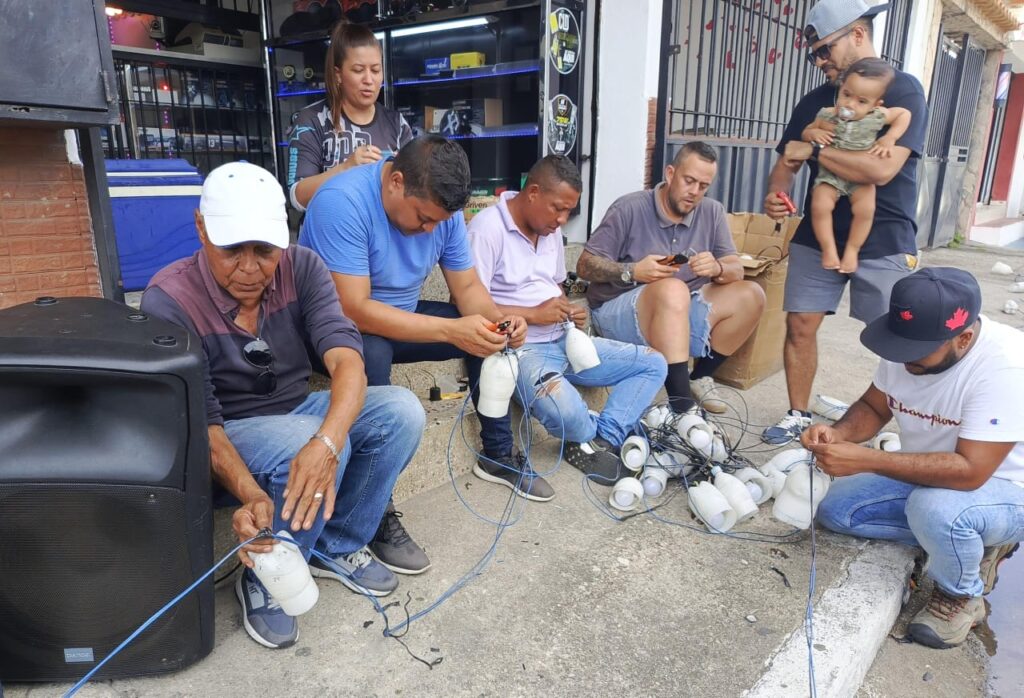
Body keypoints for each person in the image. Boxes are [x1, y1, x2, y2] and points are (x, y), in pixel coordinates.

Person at [141, 162, 425, 650]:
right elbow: (203, 426)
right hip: (230, 430)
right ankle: (265, 568)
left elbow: (347, 361)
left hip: (298, 412)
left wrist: (330, 439)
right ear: (201, 227)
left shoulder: (304, 266)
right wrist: (253, 496)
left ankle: (337, 544)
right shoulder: (169, 300)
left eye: (265, 251)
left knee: (402, 410)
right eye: (232, 250)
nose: (250, 268)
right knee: (302, 440)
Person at [299, 134, 530, 566]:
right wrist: (448, 331)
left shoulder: (442, 214)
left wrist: (498, 321)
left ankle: (497, 455)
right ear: (395, 181)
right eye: (423, 218)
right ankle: (373, 511)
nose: (429, 230)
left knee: (482, 332)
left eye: (437, 223)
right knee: (372, 351)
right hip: (329, 331)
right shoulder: (341, 202)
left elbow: (467, 288)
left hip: (398, 317)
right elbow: (354, 310)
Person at [806, 268, 1024, 649]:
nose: (903, 360)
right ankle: (962, 544)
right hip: (937, 478)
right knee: (837, 511)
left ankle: (961, 594)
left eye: (916, 353)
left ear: (964, 338)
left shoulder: (1006, 366)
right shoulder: (908, 344)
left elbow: (971, 471)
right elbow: (875, 407)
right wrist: (838, 433)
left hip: (1004, 488)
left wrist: (867, 460)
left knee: (936, 510)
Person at [761, 0, 928, 445]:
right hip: (818, 234)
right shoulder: (815, 103)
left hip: (885, 235)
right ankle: (799, 414)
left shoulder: (903, 91)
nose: (819, 62)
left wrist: (814, 152)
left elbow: (880, 171)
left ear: (857, 34)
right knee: (800, 327)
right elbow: (785, 166)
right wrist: (776, 196)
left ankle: (902, 426)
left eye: (824, 50)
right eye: (813, 53)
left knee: (902, 338)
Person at [468, 155, 668, 484]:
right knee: (566, 411)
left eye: (568, 212)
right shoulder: (487, 228)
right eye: (557, 208)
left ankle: (602, 439)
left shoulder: (549, 232)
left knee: (653, 363)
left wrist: (567, 307)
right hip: (521, 352)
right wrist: (533, 315)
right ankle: (591, 432)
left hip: (565, 339)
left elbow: (556, 286)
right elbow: (469, 305)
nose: (562, 220)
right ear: (532, 192)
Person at [576, 141, 765, 416]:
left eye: (703, 186)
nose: (695, 192)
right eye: (689, 181)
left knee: (752, 295)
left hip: (680, 308)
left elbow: (735, 266)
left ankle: (698, 377)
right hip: (620, 311)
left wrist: (718, 269)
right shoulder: (629, 207)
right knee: (673, 290)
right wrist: (632, 271)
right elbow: (584, 265)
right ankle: (682, 408)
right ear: (669, 173)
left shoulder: (711, 211)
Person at [286, 19, 413, 211]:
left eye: (376, 70)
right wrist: (347, 168)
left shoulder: (396, 123)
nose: (369, 80)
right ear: (338, 74)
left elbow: (415, 188)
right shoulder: (311, 120)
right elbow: (297, 197)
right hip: (327, 234)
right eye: (358, 70)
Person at [802, 57, 911, 274]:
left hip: (860, 178)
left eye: (861, 101)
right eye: (846, 95)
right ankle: (828, 249)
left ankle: (852, 251)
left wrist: (891, 137)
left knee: (865, 210)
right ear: (841, 89)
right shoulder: (826, 113)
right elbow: (806, 131)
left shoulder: (876, 117)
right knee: (820, 205)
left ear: (875, 104)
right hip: (831, 175)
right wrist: (813, 133)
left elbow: (904, 114)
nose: (850, 105)